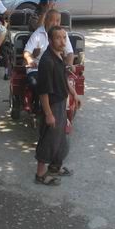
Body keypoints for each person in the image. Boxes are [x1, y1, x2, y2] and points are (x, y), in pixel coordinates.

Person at [34, 25, 80, 186]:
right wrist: (48, 114)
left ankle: (55, 167)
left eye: (64, 37)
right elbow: (43, 92)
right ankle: (40, 174)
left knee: (60, 138)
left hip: (61, 102)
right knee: (49, 138)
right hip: (52, 105)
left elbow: (63, 78)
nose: (62, 41)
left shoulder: (58, 56)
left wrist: (74, 93)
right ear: (50, 40)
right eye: (58, 38)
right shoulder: (47, 61)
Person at [24, 9, 74, 89]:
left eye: (57, 21)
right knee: (37, 84)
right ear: (45, 21)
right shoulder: (37, 34)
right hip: (37, 69)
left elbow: (70, 52)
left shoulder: (63, 33)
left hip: (57, 69)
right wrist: (30, 60)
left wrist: (69, 64)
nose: (55, 24)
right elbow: (27, 51)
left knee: (65, 85)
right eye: (52, 20)